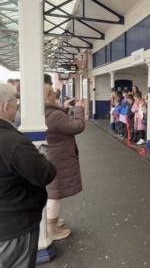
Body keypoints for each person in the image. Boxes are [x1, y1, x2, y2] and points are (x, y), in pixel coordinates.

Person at [0, 83, 56, 268]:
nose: (17, 107)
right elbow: (45, 173)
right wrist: (43, 157)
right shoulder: (13, 143)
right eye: (16, 102)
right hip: (14, 226)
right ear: (5, 106)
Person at [44, 84, 86, 240]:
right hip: (59, 157)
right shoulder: (54, 115)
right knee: (54, 193)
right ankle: (51, 228)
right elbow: (77, 126)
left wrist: (64, 108)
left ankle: (52, 220)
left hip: (50, 155)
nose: (55, 95)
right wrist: (80, 109)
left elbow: (58, 123)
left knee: (52, 191)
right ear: (48, 95)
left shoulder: (43, 111)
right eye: (53, 93)